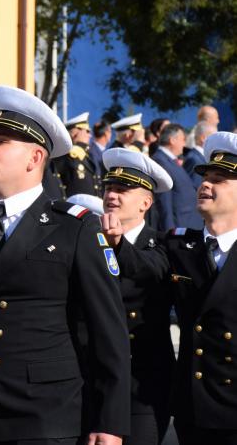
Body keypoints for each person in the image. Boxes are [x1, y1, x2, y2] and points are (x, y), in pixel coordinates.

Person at [0, 85, 130, 445]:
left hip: (43, 418)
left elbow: (106, 332)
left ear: (34, 158)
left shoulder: (74, 227)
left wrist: (109, 421)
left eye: (0, 141)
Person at [117, 131, 237, 445]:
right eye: (205, 177)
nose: (206, 184)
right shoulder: (180, 246)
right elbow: (143, 267)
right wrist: (115, 241)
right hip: (193, 407)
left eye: (220, 179)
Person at [97, 148, 174, 445]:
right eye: (108, 188)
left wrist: (116, 245)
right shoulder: (88, 238)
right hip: (93, 379)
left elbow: (148, 269)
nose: (111, 195)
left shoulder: (163, 243)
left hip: (142, 384)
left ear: (145, 202)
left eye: (122, 189)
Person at [152, 123, 203, 230]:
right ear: (172, 140)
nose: (184, 144)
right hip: (178, 228)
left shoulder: (169, 160)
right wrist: (169, 233)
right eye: (183, 139)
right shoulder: (160, 161)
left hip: (187, 224)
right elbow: (164, 203)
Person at [51, 112, 101, 197]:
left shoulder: (87, 155)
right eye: (87, 131)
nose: (90, 135)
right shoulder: (66, 155)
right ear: (74, 133)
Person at [184, 121, 216, 188]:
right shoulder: (194, 159)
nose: (217, 141)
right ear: (203, 138)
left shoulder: (201, 157)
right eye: (214, 137)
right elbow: (194, 188)